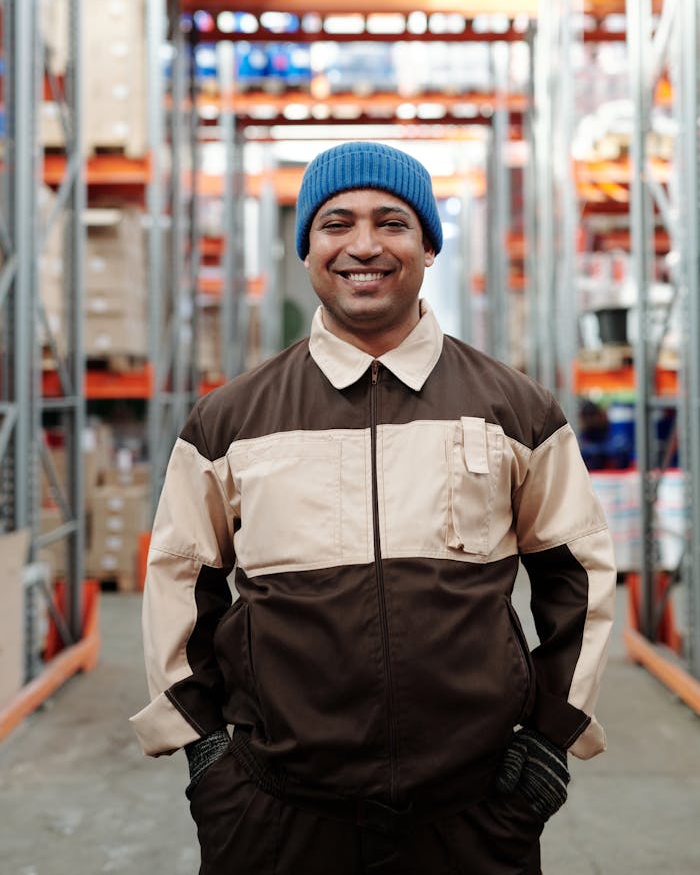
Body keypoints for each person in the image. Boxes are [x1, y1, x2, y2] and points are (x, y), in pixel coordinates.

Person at [131, 141, 616, 875]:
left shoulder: (514, 409)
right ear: (306, 250)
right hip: (275, 813)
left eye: (391, 222)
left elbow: (576, 575)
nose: (364, 245)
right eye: (335, 223)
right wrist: (205, 755)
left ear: (427, 244)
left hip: (474, 814)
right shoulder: (231, 420)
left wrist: (550, 739)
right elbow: (178, 581)